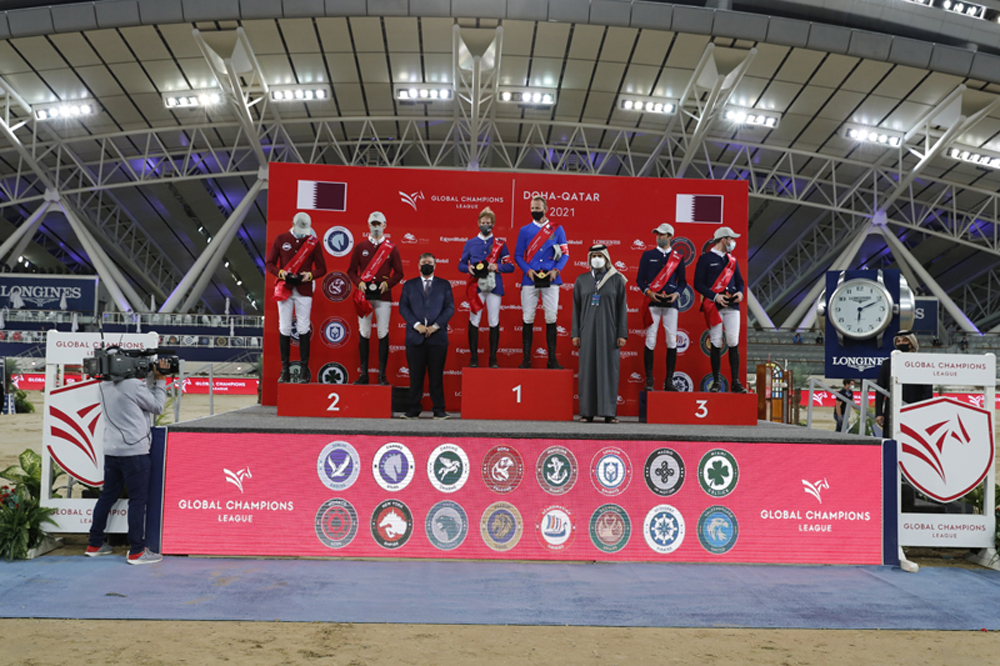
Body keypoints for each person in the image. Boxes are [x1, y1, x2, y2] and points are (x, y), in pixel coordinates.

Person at [85, 359, 169, 565]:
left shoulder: (103, 385)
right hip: (134, 451)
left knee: (107, 496)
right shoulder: (132, 385)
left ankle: (94, 544)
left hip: (112, 450)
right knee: (137, 500)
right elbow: (157, 406)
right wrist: (160, 380)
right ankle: (137, 551)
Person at [266, 212, 327, 384]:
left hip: (304, 289)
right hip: (285, 288)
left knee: (303, 327)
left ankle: (303, 370)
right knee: (284, 327)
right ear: (292, 223)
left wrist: (310, 275)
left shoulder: (313, 242)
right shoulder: (281, 239)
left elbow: (322, 268)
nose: (302, 234)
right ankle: (284, 369)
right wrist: (281, 273)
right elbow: (269, 263)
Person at [572, 245, 629, 423]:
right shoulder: (582, 280)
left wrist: (622, 334)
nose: (597, 259)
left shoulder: (617, 279)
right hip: (587, 331)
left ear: (606, 258)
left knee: (608, 370)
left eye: (600, 255)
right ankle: (586, 412)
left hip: (609, 332)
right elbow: (576, 308)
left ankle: (609, 413)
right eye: (594, 256)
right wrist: (575, 333)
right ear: (589, 259)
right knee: (587, 370)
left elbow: (622, 308)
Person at [347, 211, 404, 385]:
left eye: (379, 224)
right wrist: (359, 283)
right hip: (363, 296)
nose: (376, 227)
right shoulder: (360, 247)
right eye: (373, 224)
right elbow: (351, 271)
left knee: (382, 332)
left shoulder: (391, 248)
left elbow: (399, 273)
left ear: (384, 225)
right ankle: (364, 374)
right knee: (364, 332)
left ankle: (382, 376)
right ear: (368, 225)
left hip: (383, 297)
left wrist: (387, 284)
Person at [514, 196, 569, 369]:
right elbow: (517, 255)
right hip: (530, 278)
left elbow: (565, 253)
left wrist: (556, 270)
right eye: (532, 208)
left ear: (545, 209)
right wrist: (528, 270)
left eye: (538, 208)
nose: (535, 211)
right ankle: (526, 359)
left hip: (551, 277)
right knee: (528, 317)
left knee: (551, 316)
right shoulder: (524, 230)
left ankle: (552, 359)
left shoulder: (557, 229)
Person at [399, 253, 455, 419]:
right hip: (414, 338)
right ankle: (413, 409)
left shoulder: (444, 285)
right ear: (418, 266)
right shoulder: (409, 285)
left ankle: (439, 410)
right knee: (415, 376)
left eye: (430, 262)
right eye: (424, 262)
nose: (426, 265)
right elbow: (403, 308)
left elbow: (449, 308)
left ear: (435, 265)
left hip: (438, 338)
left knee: (436, 376)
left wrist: (435, 327)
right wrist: (417, 325)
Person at [693, 226, 748, 393]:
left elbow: (740, 282)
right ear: (723, 240)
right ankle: (716, 381)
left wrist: (740, 293)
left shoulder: (732, 260)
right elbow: (698, 283)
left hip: (732, 305)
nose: (733, 242)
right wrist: (714, 296)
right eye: (731, 239)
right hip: (714, 305)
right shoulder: (705, 259)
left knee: (733, 341)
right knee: (716, 341)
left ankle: (736, 382)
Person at [458, 207, 514, 368]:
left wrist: (496, 267)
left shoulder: (500, 243)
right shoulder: (470, 243)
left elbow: (510, 266)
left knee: (493, 320)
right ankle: (473, 358)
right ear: (478, 223)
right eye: (483, 223)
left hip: (494, 286)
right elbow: (461, 264)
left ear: (493, 224)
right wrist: (468, 268)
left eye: (488, 223)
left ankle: (493, 358)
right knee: (474, 320)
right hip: (476, 286)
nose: (485, 225)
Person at [636, 223, 687, 391]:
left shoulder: (678, 257)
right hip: (652, 302)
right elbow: (640, 279)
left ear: (670, 236)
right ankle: (649, 379)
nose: (659, 237)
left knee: (671, 339)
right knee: (650, 339)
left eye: (662, 235)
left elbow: (682, 282)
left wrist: (677, 294)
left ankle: (669, 381)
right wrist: (648, 292)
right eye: (657, 234)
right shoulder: (648, 255)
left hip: (671, 303)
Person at [875, 330, 933, 437]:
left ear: (912, 343)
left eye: (904, 340)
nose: (901, 343)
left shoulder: (922, 363)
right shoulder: (888, 364)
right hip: (891, 411)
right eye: (898, 341)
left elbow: (927, 391)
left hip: (915, 410)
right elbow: (880, 390)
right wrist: (878, 413)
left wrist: (925, 412)